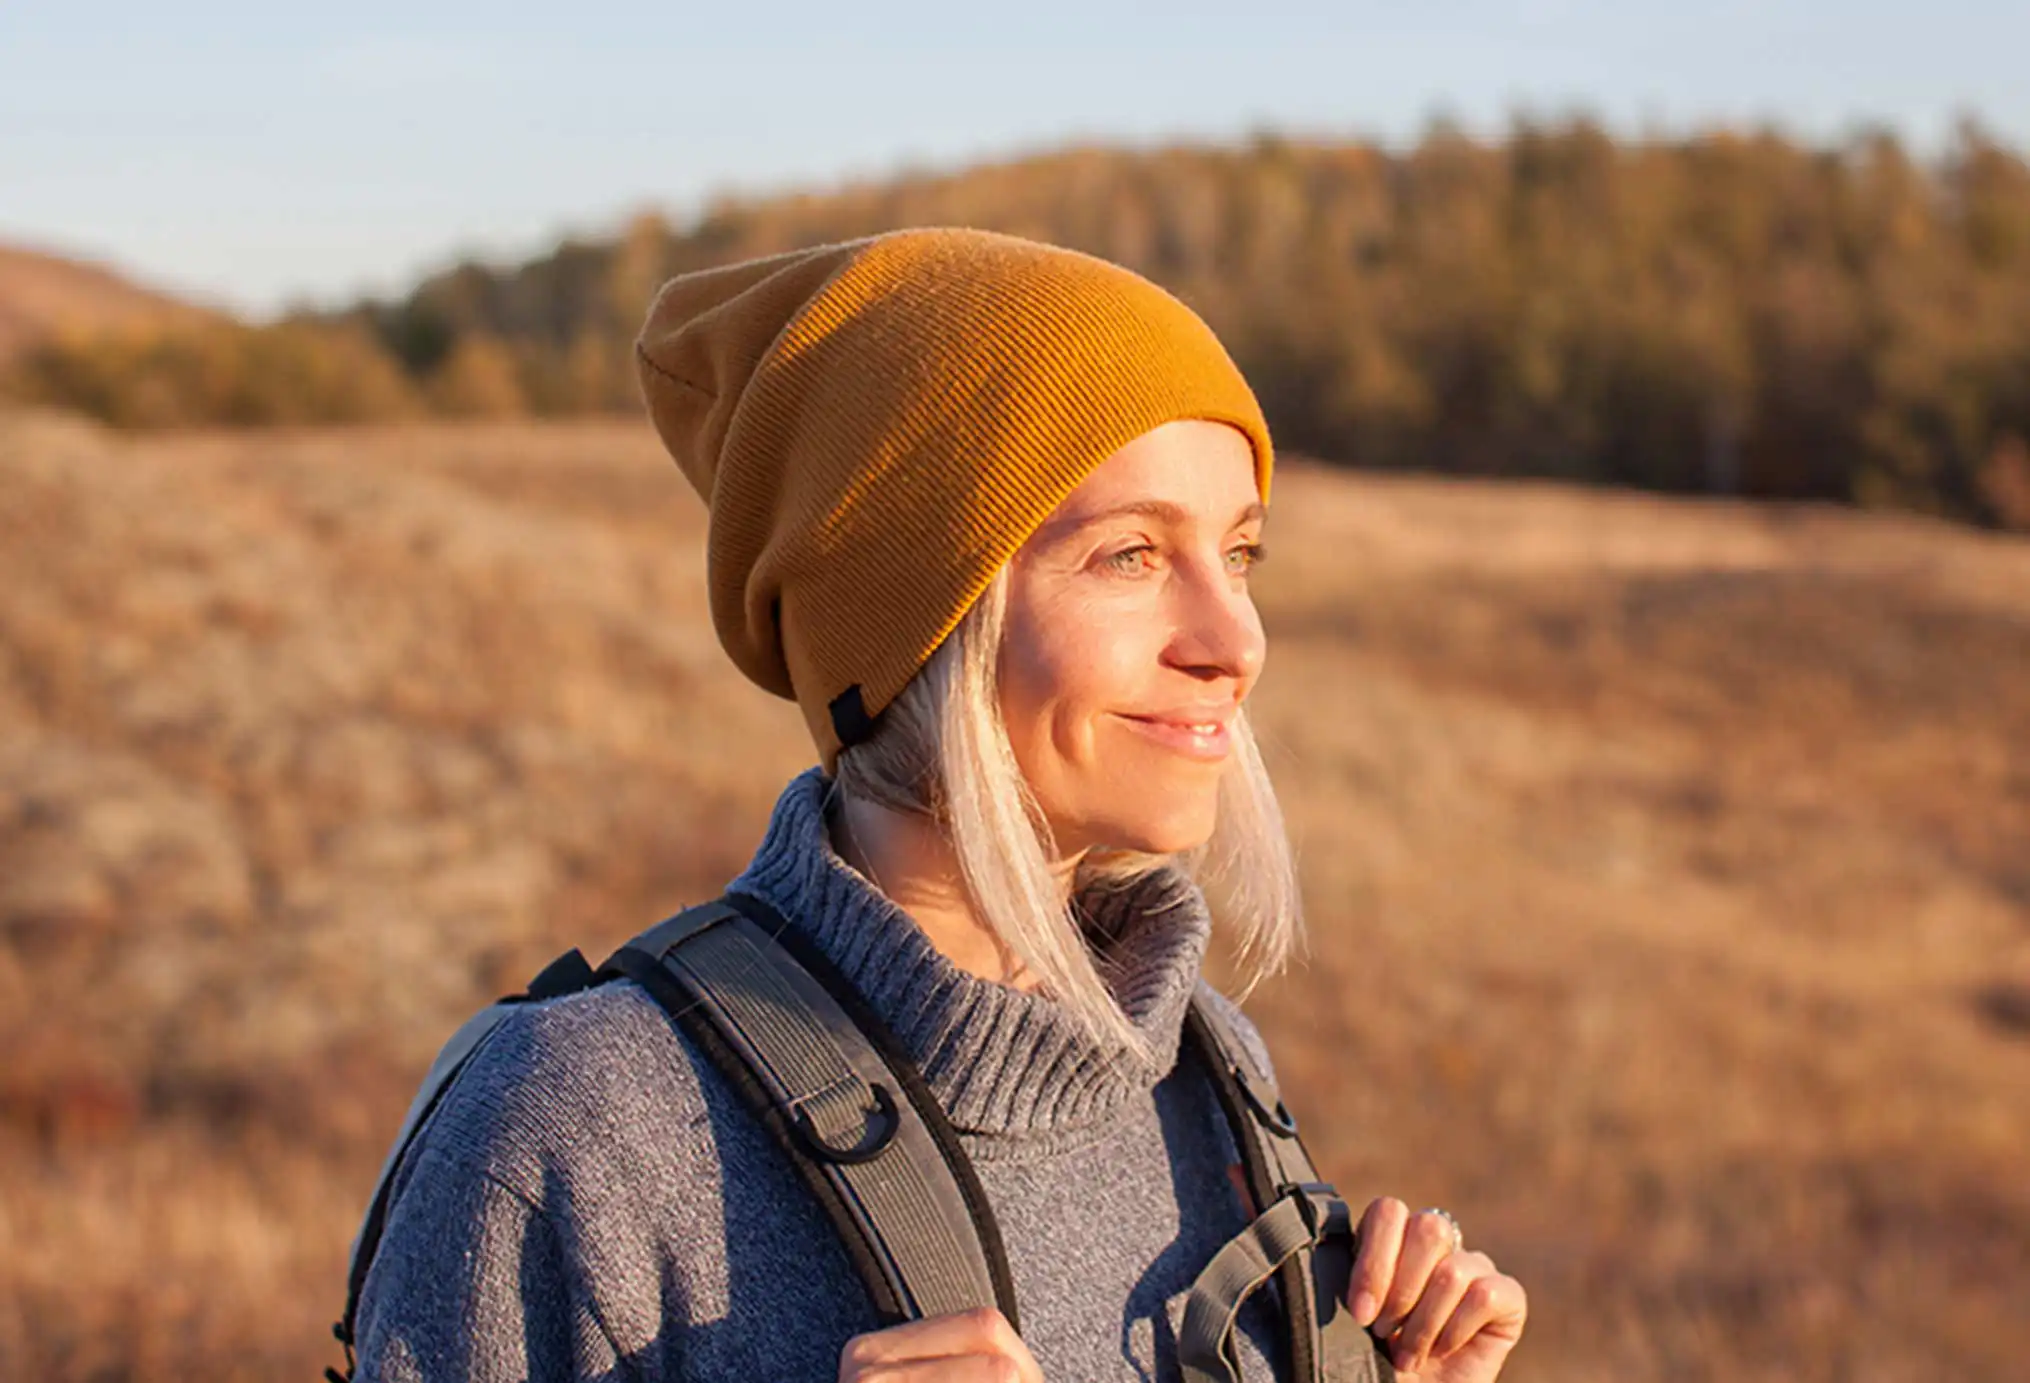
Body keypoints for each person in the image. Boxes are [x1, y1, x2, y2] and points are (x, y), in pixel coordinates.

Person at [353, 227, 1527, 1382]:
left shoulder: (1210, 1074)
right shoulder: (578, 1129)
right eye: (1129, 555)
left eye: (1240, 553)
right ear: (915, 622)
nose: (1236, 640)